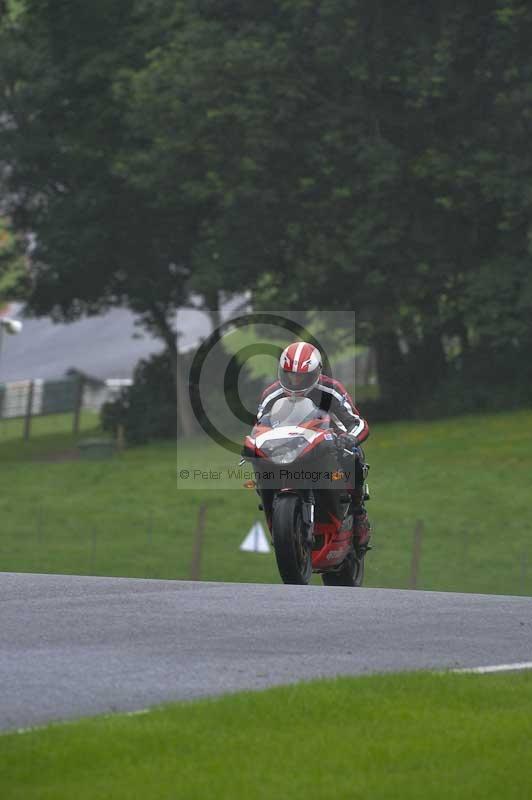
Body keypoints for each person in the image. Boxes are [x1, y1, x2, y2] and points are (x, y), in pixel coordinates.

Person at [255, 341, 372, 555]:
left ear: (316, 372)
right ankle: (273, 510)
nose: (295, 380)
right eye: (290, 375)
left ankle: (358, 512)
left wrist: (349, 438)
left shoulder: (332, 389)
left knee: (353, 455)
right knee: (258, 460)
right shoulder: (271, 394)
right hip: (287, 448)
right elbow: (260, 426)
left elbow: (358, 422)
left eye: (302, 376)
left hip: (328, 444)